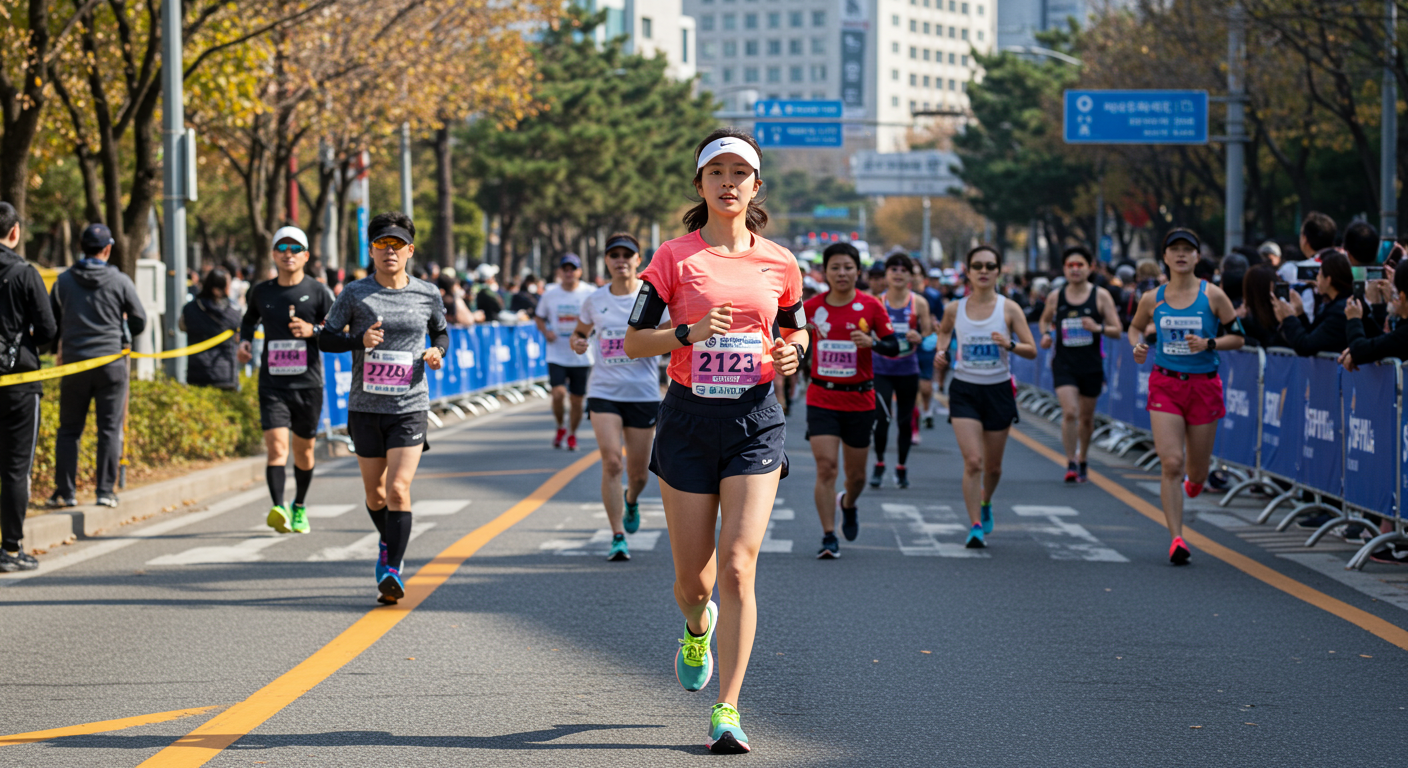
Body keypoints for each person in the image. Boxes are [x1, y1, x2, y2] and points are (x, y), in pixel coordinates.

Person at [622, 129, 806, 754]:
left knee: (737, 565)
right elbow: (633, 340)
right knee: (694, 584)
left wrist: (791, 352)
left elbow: (796, 329)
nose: (728, 182)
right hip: (689, 420)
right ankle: (696, 629)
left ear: (756, 186)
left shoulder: (780, 262)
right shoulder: (674, 257)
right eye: (716, 172)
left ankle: (727, 708)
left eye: (740, 173)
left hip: (756, 418)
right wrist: (689, 332)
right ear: (699, 184)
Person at [318, 212, 447, 604]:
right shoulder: (355, 294)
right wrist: (359, 339)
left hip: (410, 404)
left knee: (397, 488)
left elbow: (441, 330)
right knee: (375, 494)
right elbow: (325, 339)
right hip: (365, 406)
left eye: (396, 245)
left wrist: (437, 352)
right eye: (381, 245)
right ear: (371, 251)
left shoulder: (428, 293)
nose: (389, 252)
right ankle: (387, 542)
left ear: (410, 250)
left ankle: (393, 566)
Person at [1128, 228, 1244, 565]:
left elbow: (1238, 338)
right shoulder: (1153, 298)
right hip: (1166, 383)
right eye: (1174, 249)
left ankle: (1196, 482)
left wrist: (1210, 343)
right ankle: (1176, 538)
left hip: (1204, 385)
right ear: (1164, 257)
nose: (1181, 255)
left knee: (1196, 471)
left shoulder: (1214, 296)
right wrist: (1137, 345)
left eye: (1187, 250)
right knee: (1171, 463)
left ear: (1197, 257)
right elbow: (1135, 327)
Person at [569, 233, 666, 562]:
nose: (621, 260)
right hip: (603, 392)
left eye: (628, 254)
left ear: (639, 260)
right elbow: (580, 334)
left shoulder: (651, 297)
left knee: (638, 475)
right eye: (614, 255)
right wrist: (579, 343)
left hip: (642, 393)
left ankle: (632, 500)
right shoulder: (594, 300)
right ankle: (617, 536)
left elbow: (670, 335)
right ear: (607, 261)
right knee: (612, 462)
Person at [934, 245, 1037, 548]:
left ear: (998, 271)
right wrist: (941, 354)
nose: (983, 271)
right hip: (965, 389)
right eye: (977, 265)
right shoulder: (955, 308)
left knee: (993, 467)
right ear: (967, 271)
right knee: (974, 462)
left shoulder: (1009, 309)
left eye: (989, 266)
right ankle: (975, 524)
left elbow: (1031, 349)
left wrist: (1010, 344)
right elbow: (944, 334)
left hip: (998, 390)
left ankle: (986, 501)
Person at [237, 226, 334, 534]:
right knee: (277, 447)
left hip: (308, 384)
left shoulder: (318, 291)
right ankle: (278, 506)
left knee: (303, 450)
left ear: (305, 255)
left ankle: (299, 506)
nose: (288, 254)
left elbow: (335, 329)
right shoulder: (261, 291)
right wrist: (244, 341)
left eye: (295, 249)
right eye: (282, 248)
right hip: (272, 383)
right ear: (273, 254)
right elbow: (249, 318)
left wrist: (312, 331)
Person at [804, 242, 897, 558]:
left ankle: (849, 502)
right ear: (825, 272)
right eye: (835, 267)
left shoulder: (871, 306)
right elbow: (793, 335)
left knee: (856, 476)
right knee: (826, 467)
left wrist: (871, 343)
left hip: (859, 399)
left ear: (858, 271)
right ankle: (829, 535)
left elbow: (893, 346)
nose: (841, 273)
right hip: (822, 396)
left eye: (848, 267)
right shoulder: (811, 308)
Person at [47, 223, 147, 509]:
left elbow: (51, 324)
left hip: (74, 365)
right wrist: (124, 331)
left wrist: (56, 349)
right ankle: (105, 491)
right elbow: (140, 320)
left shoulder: (64, 281)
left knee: (69, 430)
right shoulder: (121, 281)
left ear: (81, 247)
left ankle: (65, 492)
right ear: (108, 249)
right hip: (112, 364)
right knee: (109, 429)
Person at [0, 203, 58, 571]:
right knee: (16, 468)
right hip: (19, 382)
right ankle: (9, 549)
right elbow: (49, 329)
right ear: (15, 231)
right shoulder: (25, 273)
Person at [1038, 246, 1122, 483]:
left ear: (1090, 268)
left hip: (1091, 364)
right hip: (1064, 363)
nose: (1075, 270)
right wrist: (1046, 334)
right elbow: (1045, 320)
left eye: (1080, 265)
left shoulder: (1100, 295)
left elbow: (1118, 330)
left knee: (1086, 417)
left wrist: (1098, 328)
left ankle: (1083, 456)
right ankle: (1071, 461)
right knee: (1070, 412)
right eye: (1070, 266)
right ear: (1064, 269)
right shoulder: (1057, 296)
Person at [869, 252, 932, 489]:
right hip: (881, 368)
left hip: (908, 369)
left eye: (903, 270)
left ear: (910, 276)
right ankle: (879, 463)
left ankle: (902, 468)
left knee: (905, 422)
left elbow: (929, 334)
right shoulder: (876, 301)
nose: (897, 273)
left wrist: (921, 337)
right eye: (893, 269)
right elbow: (866, 331)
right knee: (882, 418)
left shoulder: (919, 303)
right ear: (886, 274)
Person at [536, 254, 595, 450]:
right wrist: (546, 331)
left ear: (579, 271)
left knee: (577, 400)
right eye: (565, 269)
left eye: (573, 269)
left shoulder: (590, 292)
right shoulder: (550, 294)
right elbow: (539, 317)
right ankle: (560, 426)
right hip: (557, 353)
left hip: (581, 355)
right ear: (560, 272)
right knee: (558, 394)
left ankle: (572, 433)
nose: (569, 273)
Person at [1271, 250, 1353, 356]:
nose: (1316, 279)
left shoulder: (1340, 311)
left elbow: (1306, 345)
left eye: (1319, 274)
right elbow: (1313, 336)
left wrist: (1288, 317)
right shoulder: (1334, 305)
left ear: (1328, 279)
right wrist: (1300, 314)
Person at [181, 268, 242, 390]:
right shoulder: (233, 312)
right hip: (225, 375)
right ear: (216, 290)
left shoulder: (190, 309)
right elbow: (238, 337)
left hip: (196, 374)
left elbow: (182, 326)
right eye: (228, 286)